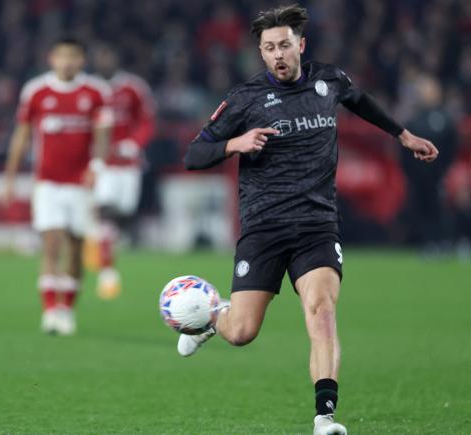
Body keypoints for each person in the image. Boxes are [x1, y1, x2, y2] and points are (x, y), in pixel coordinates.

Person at [180, 5, 438, 435]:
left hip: (317, 225)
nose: (277, 54)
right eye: (268, 48)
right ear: (260, 54)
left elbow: (362, 102)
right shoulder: (245, 99)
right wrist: (235, 144)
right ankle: (210, 315)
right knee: (242, 332)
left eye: (284, 45)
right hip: (263, 227)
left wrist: (403, 135)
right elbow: (192, 154)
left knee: (321, 312)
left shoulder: (329, 80)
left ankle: (324, 417)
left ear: (300, 45)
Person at [3, 37, 112, 335]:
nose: (67, 62)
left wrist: (97, 166)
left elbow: (103, 136)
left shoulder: (96, 92)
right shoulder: (36, 91)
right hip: (47, 182)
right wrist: (10, 177)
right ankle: (50, 310)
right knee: (51, 244)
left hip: (80, 184)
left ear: (82, 60)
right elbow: (22, 135)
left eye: (73, 56)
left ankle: (67, 309)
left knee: (75, 248)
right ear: (52, 59)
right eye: (62, 56)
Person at [88, 43, 156, 299]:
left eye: (108, 54)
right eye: (101, 55)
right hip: (102, 163)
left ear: (115, 58)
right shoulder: (90, 89)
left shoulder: (133, 87)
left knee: (123, 215)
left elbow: (148, 121)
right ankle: (108, 273)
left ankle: (104, 247)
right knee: (104, 211)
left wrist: (134, 143)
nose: (104, 59)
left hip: (128, 165)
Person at [399, 74, 458, 255]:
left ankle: (446, 241)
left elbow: (451, 145)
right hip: (418, 176)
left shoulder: (445, 119)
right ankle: (426, 243)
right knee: (420, 210)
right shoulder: (413, 120)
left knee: (439, 209)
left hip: (438, 174)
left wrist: (442, 169)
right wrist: (413, 172)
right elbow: (403, 148)